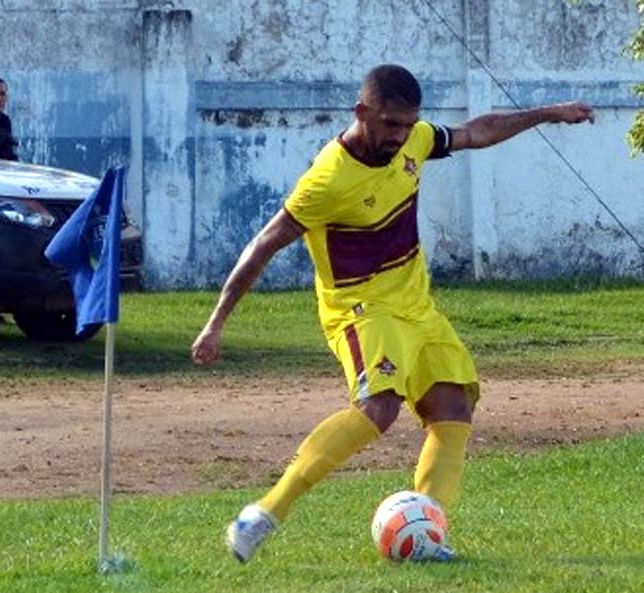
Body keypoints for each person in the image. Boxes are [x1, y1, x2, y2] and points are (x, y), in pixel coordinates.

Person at [191, 64, 594, 563]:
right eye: (390, 124)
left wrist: (550, 113)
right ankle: (262, 515)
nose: (400, 136)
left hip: (415, 306)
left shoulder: (414, 140)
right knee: (378, 409)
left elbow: (476, 132)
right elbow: (263, 246)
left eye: (407, 125)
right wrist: (215, 324)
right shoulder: (327, 180)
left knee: (452, 408)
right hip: (361, 308)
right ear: (361, 112)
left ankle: (426, 535)